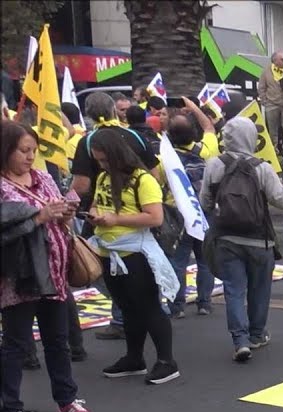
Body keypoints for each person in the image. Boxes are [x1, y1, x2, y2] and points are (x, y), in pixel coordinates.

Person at [0, 121, 94, 412]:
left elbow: (59, 220)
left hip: (55, 271)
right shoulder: (2, 186)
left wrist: (66, 212)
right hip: (19, 278)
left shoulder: (42, 176)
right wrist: (40, 217)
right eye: (23, 151)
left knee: (58, 340)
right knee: (15, 343)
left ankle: (67, 399)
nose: (30, 158)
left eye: (33, 151)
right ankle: (10, 410)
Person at [200, 117, 283, 363]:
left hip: (225, 237)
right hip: (259, 239)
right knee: (260, 289)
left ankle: (240, 340)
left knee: (233, 289)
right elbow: (282, 200)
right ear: (252, 138)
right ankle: (257, 334)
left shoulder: (214, 164)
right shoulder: (262, 168)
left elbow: (205, 201)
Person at [86, 130, 181, 384]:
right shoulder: (104, 177)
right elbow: (98, 202)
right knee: (127, 309)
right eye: (99, 161)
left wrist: (115, 219)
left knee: (149, 307)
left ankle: (166, 361)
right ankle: (134, 357)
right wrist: (95, 212)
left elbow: (154, 217)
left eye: (106, 160)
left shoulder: (143, 180)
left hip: (136, 254)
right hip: (110, 252)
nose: (102, 165)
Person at [71, 92, 161, 342]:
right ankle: (137, 318)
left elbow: (80, 185)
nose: (103, 165)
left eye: (104, 160)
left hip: (102, 219)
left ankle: (125, 317)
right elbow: (155, 172)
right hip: (132, 217)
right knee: (139, 278)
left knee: (95, 268)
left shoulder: (87, 141)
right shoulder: (134, 135)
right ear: (113, 109)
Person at [165, 113, 214, 317]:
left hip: (177, 214)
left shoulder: (165, 158)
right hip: (204, 210)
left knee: (179, 260)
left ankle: (177, 306)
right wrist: (193, 107)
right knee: (205, 260)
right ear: (194, 133)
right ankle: (204, 303)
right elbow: (210, 127)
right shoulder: (207, 150)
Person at [259, 51, 283, 152]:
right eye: (282, 59)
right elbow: (261, 87)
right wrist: (264, 101)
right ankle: (274, 149)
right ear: (275, 60)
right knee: (272, 129)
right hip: (272, 103)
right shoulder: (266, 72)